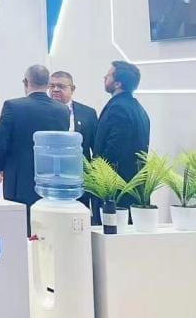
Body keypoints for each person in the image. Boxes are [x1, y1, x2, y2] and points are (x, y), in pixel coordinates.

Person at [0, 65, 69, 227]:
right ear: (48, 84)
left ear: (26, 82)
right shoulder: (62, 110)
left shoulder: (13, 106)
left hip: (18, 182)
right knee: (48, 228)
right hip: (51, 182)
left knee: (20, 229)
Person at [94, 61, 150, 210]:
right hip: (133, 184)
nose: (104, 78)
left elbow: (114, 150)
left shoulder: (118, 108)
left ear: (118, 83)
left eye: (108, 75)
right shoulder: (139, 109)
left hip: (116, 188)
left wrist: (97, 174)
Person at [48, 71, 98, 160]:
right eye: (52, 86)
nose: (55, 89)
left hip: (80, 165)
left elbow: (96, 147)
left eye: (61, 86)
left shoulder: (88, 113)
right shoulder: (42, 111)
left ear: (72, 89)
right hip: (49, 165)